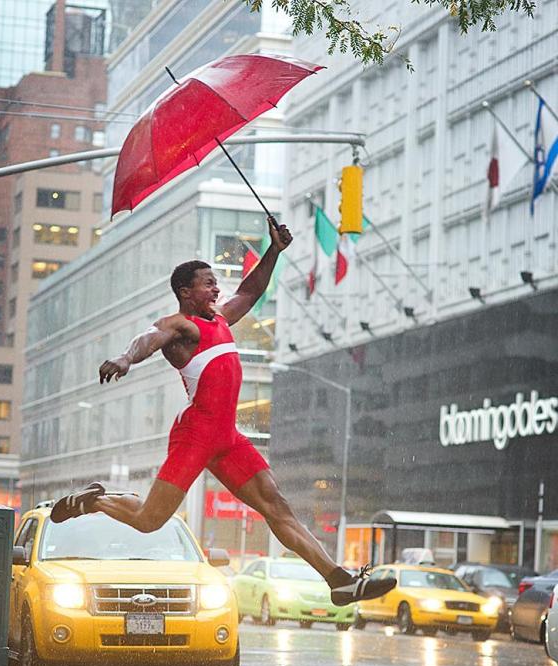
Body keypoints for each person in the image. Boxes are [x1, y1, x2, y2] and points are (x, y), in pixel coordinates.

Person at [50, 219, 396, 605]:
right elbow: (148, 337)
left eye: (216, 282)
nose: (216, 288)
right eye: (208, 283)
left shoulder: (221, 320)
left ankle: (338, 580)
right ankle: (93, 501)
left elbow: (250, 290)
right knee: (149, 521)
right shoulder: (182, 326)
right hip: (195, 435)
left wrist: (274, 251)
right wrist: (125, 357)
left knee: (276, 505)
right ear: (186, 291)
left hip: (227, 437)